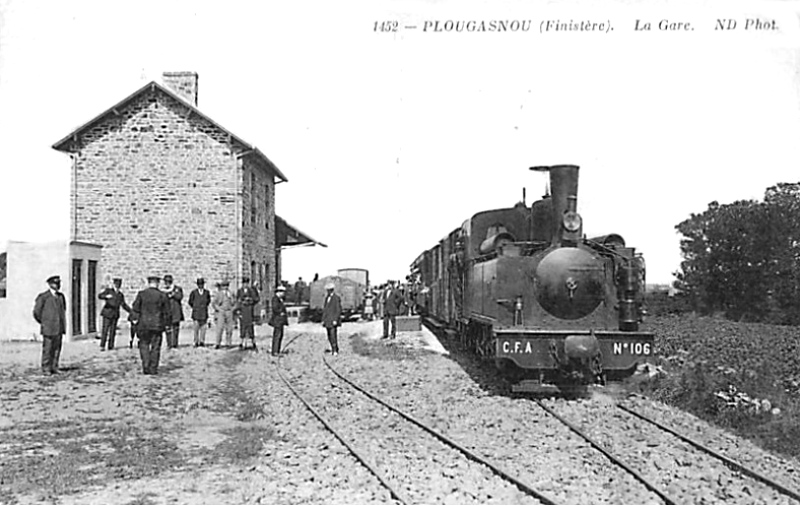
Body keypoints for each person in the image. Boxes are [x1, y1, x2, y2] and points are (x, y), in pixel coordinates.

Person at [130, 275, 171, 375]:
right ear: (157, 283)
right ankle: (153, 368)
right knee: (156, 346)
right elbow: (167, 312)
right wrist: (167, 325)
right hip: (157, 325)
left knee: (144, 345)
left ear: (148, 283)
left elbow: (135, 308)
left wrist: (135, 320)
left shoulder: (141, 294)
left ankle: (146, 365)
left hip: (143, 325)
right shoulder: (162, 295)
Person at [32, 275, 67, 375]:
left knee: (57, 348)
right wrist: (44, 322)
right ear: (50, 284)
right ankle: (46, 368)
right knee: (48, 349)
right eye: (55, 284)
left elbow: (63, 310)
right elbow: (36, 312)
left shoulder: (61, 296)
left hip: (58, 327)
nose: (58, 285)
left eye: (59, 283)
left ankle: (54, 367)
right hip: (48, 327)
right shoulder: (43, 297)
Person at [97, 277, 131, 351]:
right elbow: (100, 296)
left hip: (115, 314)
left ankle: (111, 345)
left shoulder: (120, 295)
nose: (117, 286)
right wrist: (106, 296)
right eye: (116, 284)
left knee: (113, 331)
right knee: (105, 330)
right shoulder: (108, 291)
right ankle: (102, 345)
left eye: (119, 285)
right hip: (107, 313)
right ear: (114, 284)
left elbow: (123, 305)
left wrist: (131, 311)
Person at [236, 276, 260, 350]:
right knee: (242, 326)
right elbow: (238, 301)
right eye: (244, 283)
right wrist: (238, 310)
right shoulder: (240, 291)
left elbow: (256, 299)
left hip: (249, 310)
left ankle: (253, 342)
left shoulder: (251, 291)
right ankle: (241, 343)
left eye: (246, 283)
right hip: (243, 310)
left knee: (250, 327)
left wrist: (250, 300)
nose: (245, 285)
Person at [162, 274, 184, 349]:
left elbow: (179, 297)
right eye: (166, 282)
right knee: (168, 329)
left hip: (176, 312)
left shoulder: (177, 289)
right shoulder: (163, 291)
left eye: (168, 282)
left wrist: (173, 294)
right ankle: (169, 344)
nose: (167, 283)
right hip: (167, 312)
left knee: (175, 329)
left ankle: (175, 344)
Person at [188, 278, 211, 347]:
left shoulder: (207, 292)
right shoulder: (194, 292)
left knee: (203, 328)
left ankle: (202, 341)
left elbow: (208, 301)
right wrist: (195, 307)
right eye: (199, 284)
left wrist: (203, 307)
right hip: (196, 313)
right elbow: (190, 301)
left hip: (204, 312)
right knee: (196, 328)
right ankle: (196, 341)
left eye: (202, 284)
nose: (201, 286)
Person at [212, 280, 236, 349]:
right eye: (224, 286)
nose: (225, 288)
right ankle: (217, 343)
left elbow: (235, 302)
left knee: (229, 329)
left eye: (226, 286)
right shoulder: (219, 294)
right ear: (222, 287)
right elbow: (214, 303)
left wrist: (232, 309)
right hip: (221, 312)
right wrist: (218, 309)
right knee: (220, 328)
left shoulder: (231, 293)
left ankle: (228, 343)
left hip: (229, 311)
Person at [322, 281, 342, 355]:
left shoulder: (336, 298)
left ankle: (335, 350)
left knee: (333, 335)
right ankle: (333, 347)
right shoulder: (327, 298)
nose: (328, 291)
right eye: (327, 290)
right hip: (327, 320)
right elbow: (325, 310)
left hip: (333, 320)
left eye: (329, 290)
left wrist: (335, 319)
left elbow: (338, 310)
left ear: (332, 290)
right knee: (329, 335)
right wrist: (323, 320)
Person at [269, 285, 288, 356]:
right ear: (279, 292)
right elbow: (275, 308)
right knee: (277, 335)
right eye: (283, 292)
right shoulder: (275, 299)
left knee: (280, 335)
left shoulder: (279, 299)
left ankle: (277, 350)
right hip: (277, 320)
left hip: (280, 320)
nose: (283, 294)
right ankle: (275, 351)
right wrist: (281, 312)